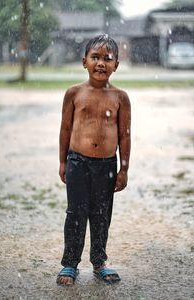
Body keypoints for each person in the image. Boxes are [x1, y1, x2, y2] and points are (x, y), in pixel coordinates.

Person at [56, 34, 131, 285]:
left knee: (101, 215)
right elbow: (65, 129)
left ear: (116, 65)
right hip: (78, 162)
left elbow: (124, 135)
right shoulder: (74, 93)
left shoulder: (120, 98)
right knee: (75, 213)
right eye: (95, 57)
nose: (101, 63)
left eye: (107, 59)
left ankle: (99, 262)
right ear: (84, 61)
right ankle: (69, 264)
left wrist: (123, 169)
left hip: (106, 166)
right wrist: (63, 162)